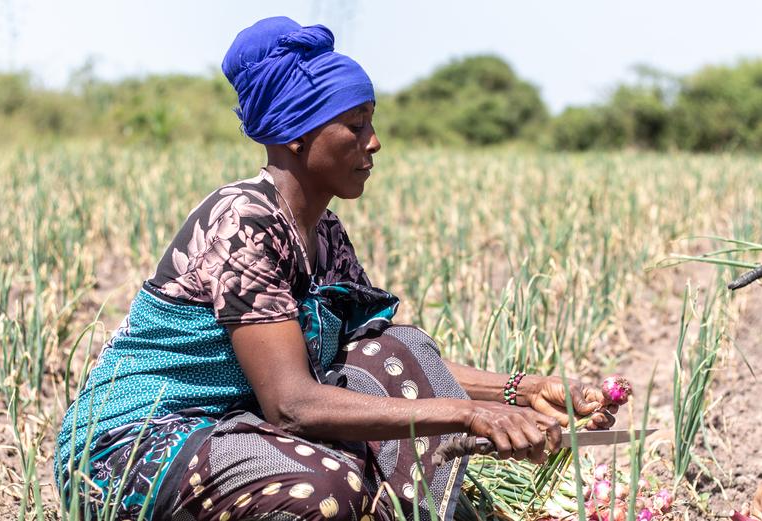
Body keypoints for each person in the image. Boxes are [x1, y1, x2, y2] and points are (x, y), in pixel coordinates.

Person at [55, 16, 616, 521]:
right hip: (140, 447)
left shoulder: (323, 233)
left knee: (400, 349)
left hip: (236, 431)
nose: (374, 143)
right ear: (297, 135)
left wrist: (523, 391)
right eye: (354, 125)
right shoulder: (243, 222)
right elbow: (292, 406)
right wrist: (468, 416)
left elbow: (384, 360)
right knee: (325, 485)